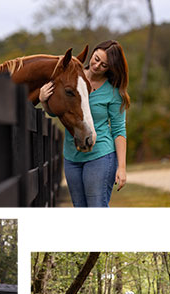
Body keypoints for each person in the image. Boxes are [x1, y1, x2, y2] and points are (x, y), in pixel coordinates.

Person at [40, 40, 129, 207]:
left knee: (96, 206)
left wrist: (122, 167)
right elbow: (58, 111)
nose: (96, 66)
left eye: (104, 65)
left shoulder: (113, 92)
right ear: (93, 52)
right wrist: (44, 101)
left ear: (110, 68)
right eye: (96, 59)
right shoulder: (73, 75)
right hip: (72, 157)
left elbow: (119, 130)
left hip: (100, 155)